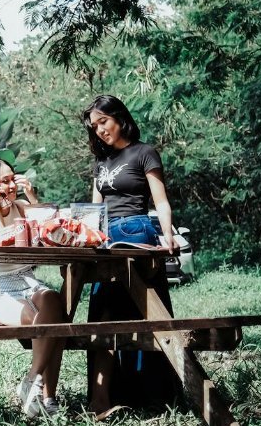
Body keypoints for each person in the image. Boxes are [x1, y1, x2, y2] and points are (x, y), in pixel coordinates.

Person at [81, 94, 180, 417]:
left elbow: (160, 201)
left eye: (103, 122)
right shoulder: (101, 163)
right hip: (106, 240)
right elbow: (95, 210)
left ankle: (157, 394)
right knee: (102, 316)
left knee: (148, 314)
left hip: (138, 235)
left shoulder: (144, 152)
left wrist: (167, 235)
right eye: (94, 126)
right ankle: (100, 400)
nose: (99, 130)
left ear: (119, 117)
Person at [0, 158, 66, 417]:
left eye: (13, 179)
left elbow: (52, 231)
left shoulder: (21, 207)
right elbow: (3, 249)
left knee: (54, 301)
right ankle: (45, 396)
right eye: (4, 181)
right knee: (53, 326)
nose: (11, 186)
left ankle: (33, 383)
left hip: (29, 283)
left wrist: (33, 198)